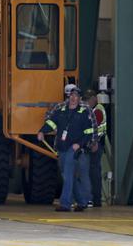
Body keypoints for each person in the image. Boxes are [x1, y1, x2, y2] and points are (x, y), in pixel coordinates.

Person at [37, 83, 94, 212]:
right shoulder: (61, 111)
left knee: (67, 175)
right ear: (69, 97)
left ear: (80, 99)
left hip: (73, 149)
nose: (74, 98)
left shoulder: (84, 113)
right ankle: (82, 201)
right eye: (72, 95)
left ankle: (65, 204)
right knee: (69, 176)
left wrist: (79, 145)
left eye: (76, 96)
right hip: (61, 147)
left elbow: (89, 133)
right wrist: (42, 132)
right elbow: (51, 122)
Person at [84, 87, 107, 208]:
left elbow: (95, 128)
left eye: (89, 99)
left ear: (94, 99)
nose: (88, 102)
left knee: (94, 171)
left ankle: (95, 199)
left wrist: (93, 142)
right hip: (93, 144)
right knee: (91, 170)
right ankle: (92, 198)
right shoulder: (91, 110)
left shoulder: (97, 111)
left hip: (96, 144)